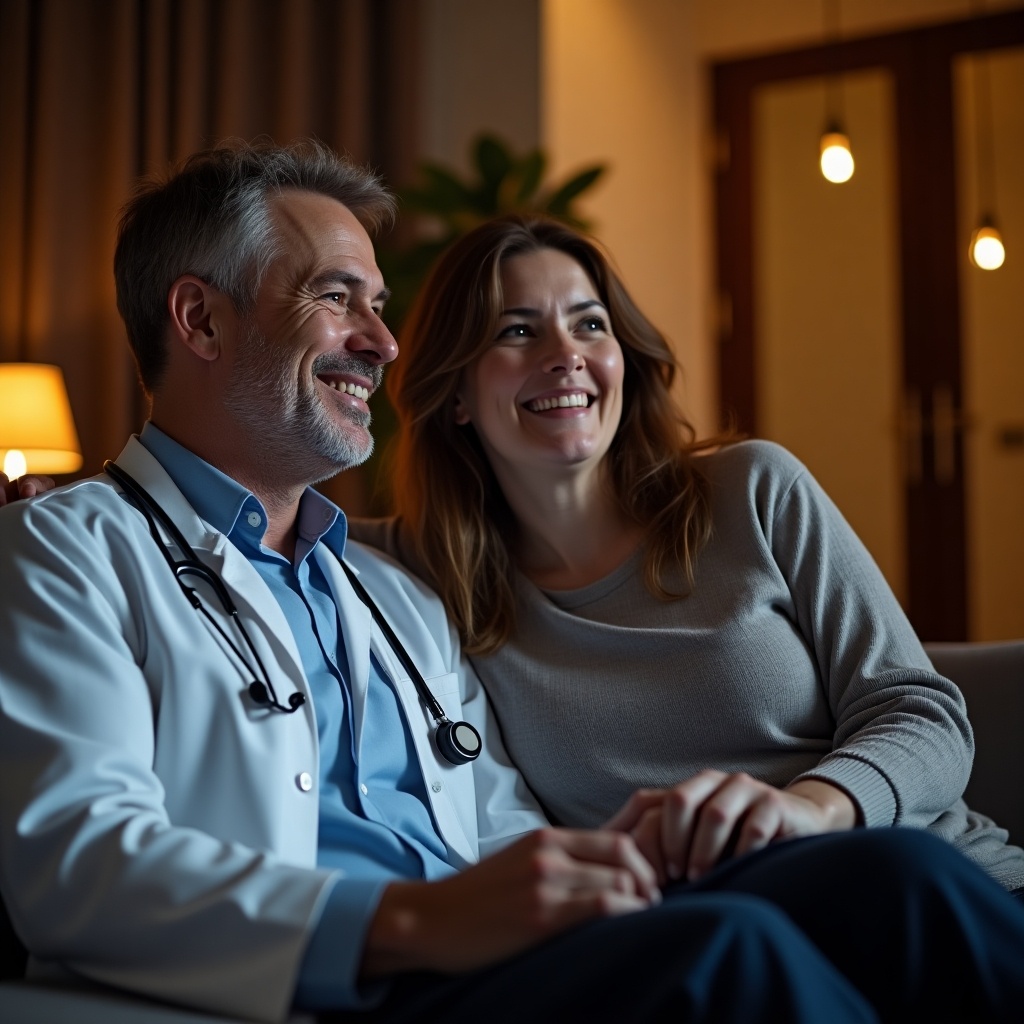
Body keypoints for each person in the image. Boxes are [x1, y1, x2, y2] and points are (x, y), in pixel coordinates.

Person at [1, 142, 1024, 1024]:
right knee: (730, 953)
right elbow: (74, 858)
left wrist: (600, 875)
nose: (381, 340)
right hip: (346, 975)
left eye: (381, 306)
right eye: (334, 297)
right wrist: (418, 917)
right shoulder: (70, 551)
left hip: (498, 948)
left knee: (898, 876)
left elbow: (497, 822)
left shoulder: (388, 589)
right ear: (201, 320)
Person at [376, 213, 1024, 896]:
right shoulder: (428, 568)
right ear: (454, 395)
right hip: (738, 944)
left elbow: (924, 716)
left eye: (590, 324)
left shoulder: (752, 489)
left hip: (938, 884)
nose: (566, 354)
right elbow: (270, 505)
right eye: (517, 331)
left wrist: (806, 810)